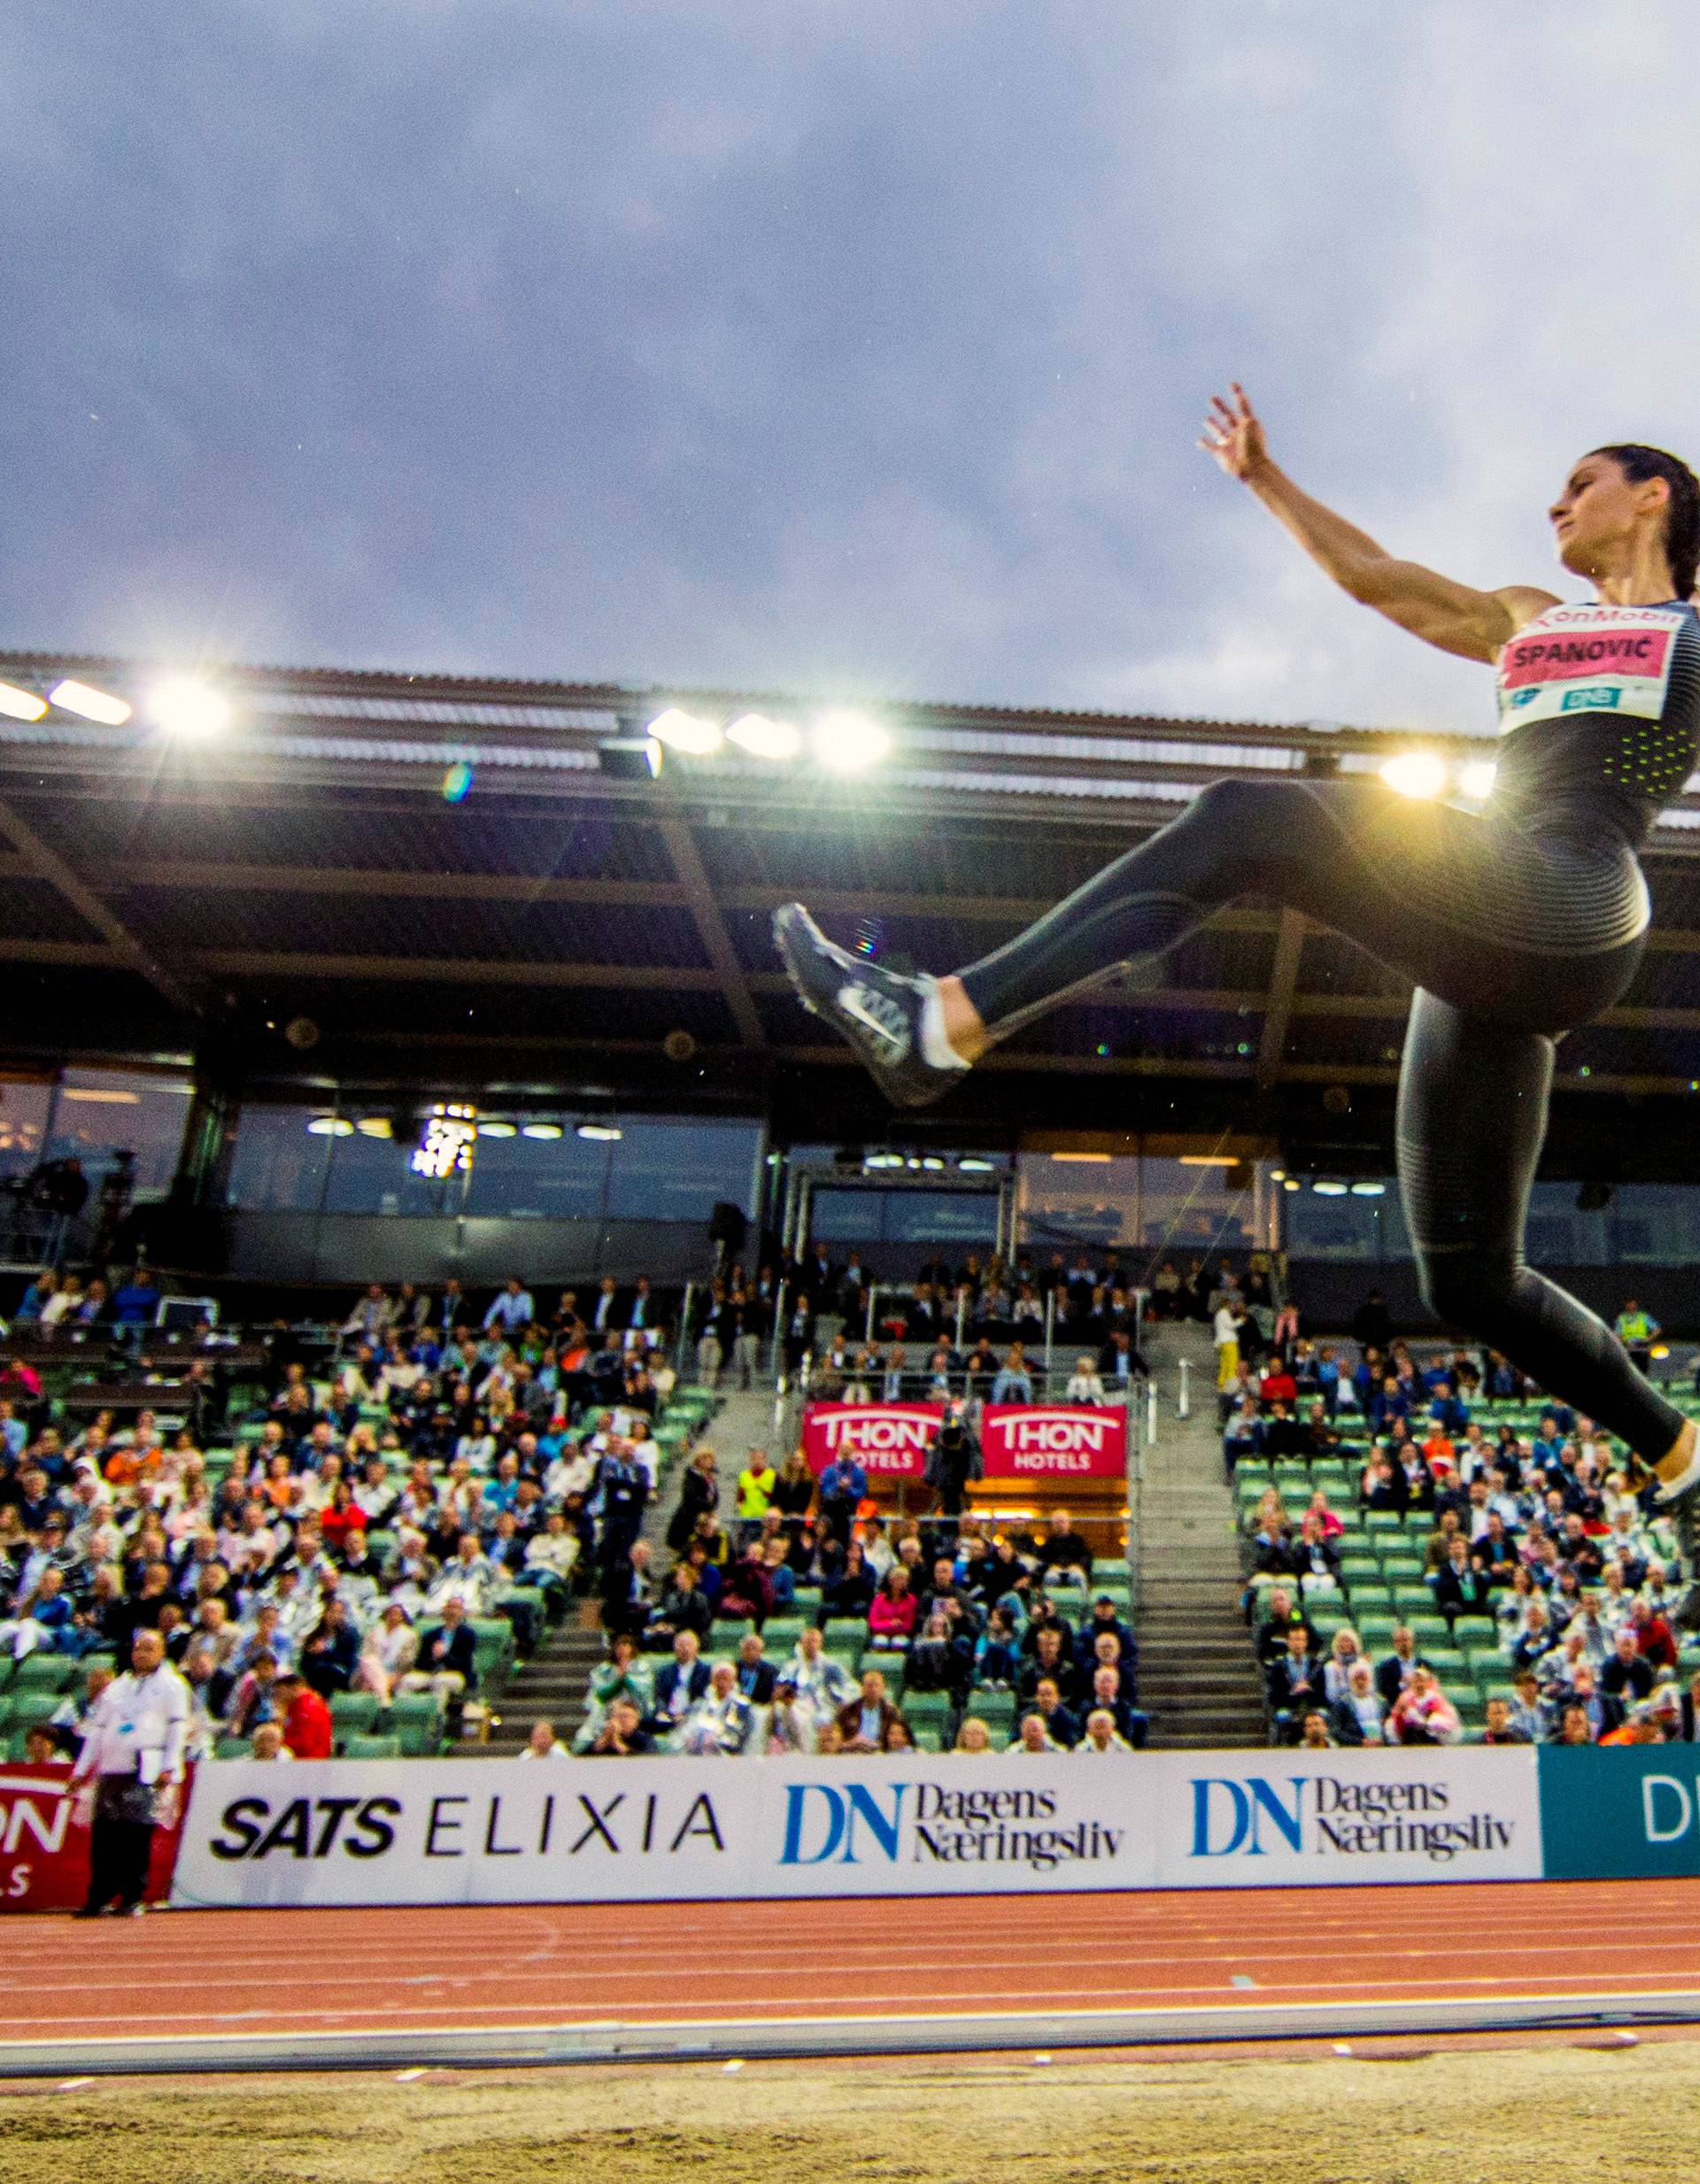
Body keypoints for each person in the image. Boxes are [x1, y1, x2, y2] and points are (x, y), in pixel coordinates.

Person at [775, 401, 1700, 1610]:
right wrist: (1266, 477)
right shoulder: (1530, 617)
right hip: (1493, 932)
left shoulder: (1689, 631)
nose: (1554, 502)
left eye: (1581, 481)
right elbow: (1376, 579)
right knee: (1468, 1281)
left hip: (1578, 897)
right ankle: (1684, 1458)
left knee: (1252, 820)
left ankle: (941, 1018)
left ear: (1655, 496)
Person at [69, 1627, 189, 1918]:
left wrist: (169, 1766)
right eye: (138, 1649)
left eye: (149, 1649)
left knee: (134, 1835)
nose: (141, 1654)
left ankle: (132, 1896)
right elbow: (97, 1731)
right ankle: (99, 1896)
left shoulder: (172, 1686)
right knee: (105, 1836)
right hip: (112, 1768)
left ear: (161, 1652)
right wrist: (81, 1769)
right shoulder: (117, 1687)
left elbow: (177, 1728)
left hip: (144, 1767)